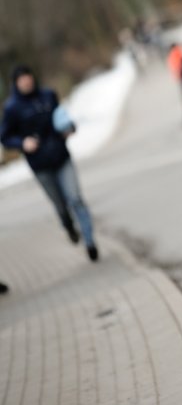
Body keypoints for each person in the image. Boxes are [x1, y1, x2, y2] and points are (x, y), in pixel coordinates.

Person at [0, 65, 99, 261]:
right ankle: (68, 226)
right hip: (41, 166)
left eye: (28, 77)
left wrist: (69, 128)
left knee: (76, 198)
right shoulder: (12, 109)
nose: (27, 82)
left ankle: (90, 242)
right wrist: (22, 143)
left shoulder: (48, 95)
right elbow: (5, 137)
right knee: (61, 206)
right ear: (16, 84)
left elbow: (61, 118)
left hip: (61, 156)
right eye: (22, 80)